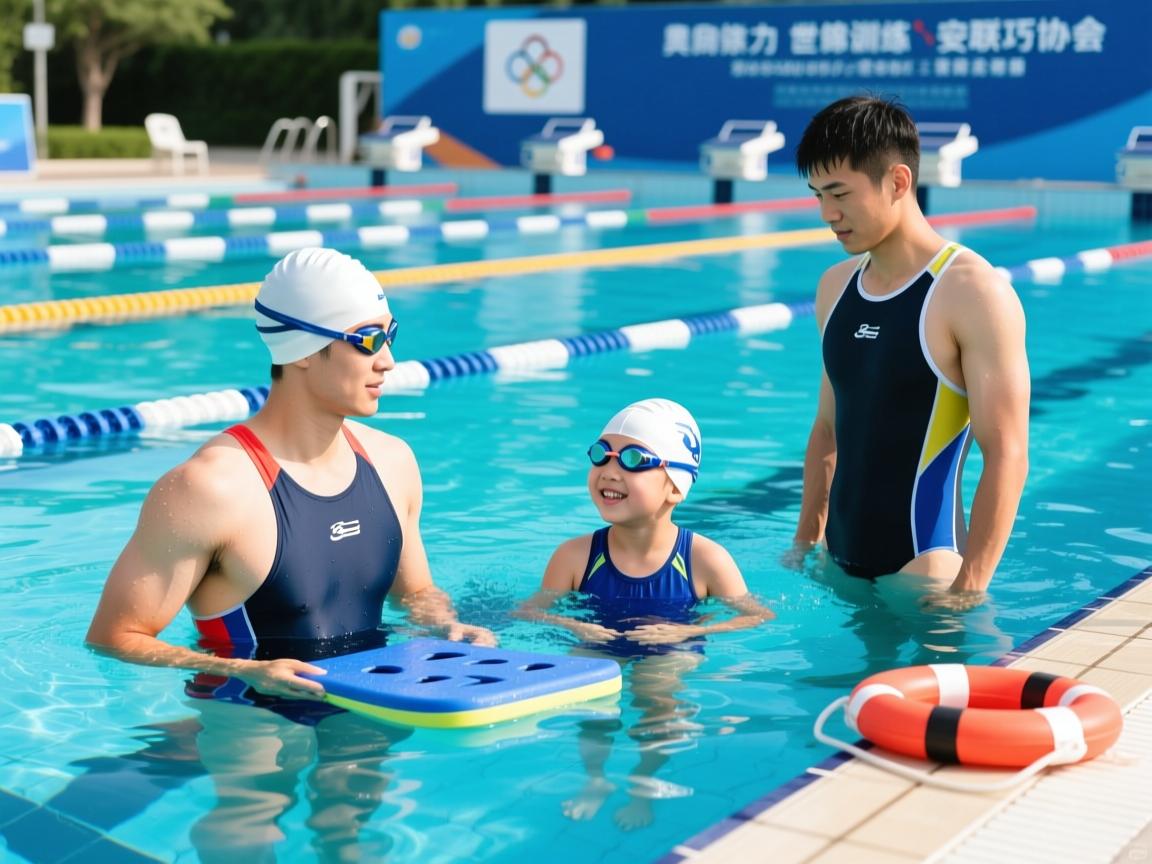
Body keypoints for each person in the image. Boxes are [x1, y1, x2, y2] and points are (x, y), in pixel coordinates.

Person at [86, 246, 494, 858]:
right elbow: (115, 635)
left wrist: (444, 623)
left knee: (352, 837)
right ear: (302, 350)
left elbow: (416, 592)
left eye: (389, 336)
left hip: (369, 692)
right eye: (365, 340)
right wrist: (245, 671)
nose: (387, 360)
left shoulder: (393, 462)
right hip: (251, 710)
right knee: (249, 829)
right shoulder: (211, 487)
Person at [789, 95, 1030, 610]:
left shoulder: (972, 291)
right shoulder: (835, 287)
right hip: (838, 560)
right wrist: (806, 541)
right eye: (817, 195)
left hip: (926, 569)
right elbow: (829, 428)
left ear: (898, 182)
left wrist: (970, 587)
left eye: (839, 194)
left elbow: (1006, 452)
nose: (827, 214)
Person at [518, 398, 774, 829]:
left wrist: (680, 634)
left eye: (635, 459)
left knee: (658, 695)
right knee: (590, 691)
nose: (611, 470)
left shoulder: (704, 559)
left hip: (671, 644)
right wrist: (573, 625)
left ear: (674, 486)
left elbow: (757, 616)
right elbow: (528, 613)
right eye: (602, 453)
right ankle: (595, 778)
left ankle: (644, 781)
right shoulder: (576, 556)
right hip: (598, 641)